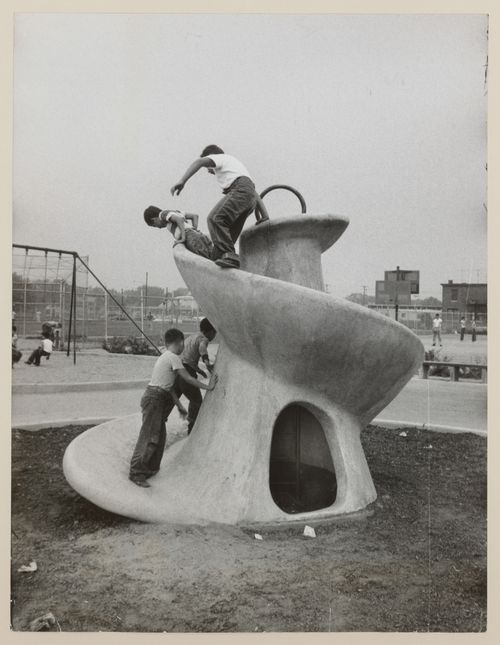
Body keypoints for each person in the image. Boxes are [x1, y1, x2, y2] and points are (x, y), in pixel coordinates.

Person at [129, 328, 218, 488]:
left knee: (160, 437)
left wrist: (179, 406)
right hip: (154, 398)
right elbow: (188, 378)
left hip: (156, 397)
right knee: (150, 437)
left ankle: (150, 468)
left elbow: (169, 387)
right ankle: (136, 472)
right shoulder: (174, 357)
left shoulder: (166, 356)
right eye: (183, 343)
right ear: (180, 343)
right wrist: (208, 387)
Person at [170, 145, 258, 269]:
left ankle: (231, 257)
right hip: (250, 199)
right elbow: (254, 193)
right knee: (225, 239)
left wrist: (182, 181)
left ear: (211, 156)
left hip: (241, 190)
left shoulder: (221, 158)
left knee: (214, 218)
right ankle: (226, 258)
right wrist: (263, 216)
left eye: (208, 168)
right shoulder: (235, 169)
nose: (209, 171)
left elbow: (199, 162)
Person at [179, 318, 217, 434]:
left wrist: (199, 370)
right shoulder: (203, 339)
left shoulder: (192, 336)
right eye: (214, 333)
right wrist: (207, 364)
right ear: (210, 331)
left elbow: (187, 357)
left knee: (172, 399)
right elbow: (202, 349)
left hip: (177, 370)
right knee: (196, 401)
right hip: (186, 372)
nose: (214, 336)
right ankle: (192, 428)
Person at [143, 206, 213, 259]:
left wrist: (183, 237)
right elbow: (195, 216)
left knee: (205, 260)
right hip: (198, 235)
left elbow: (178, 219)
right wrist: (194, 230)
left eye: (155, 225)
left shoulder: (162, 215)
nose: (159, 228)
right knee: (212, 258)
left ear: (154, 219)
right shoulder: (175, 212)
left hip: (191, 238)